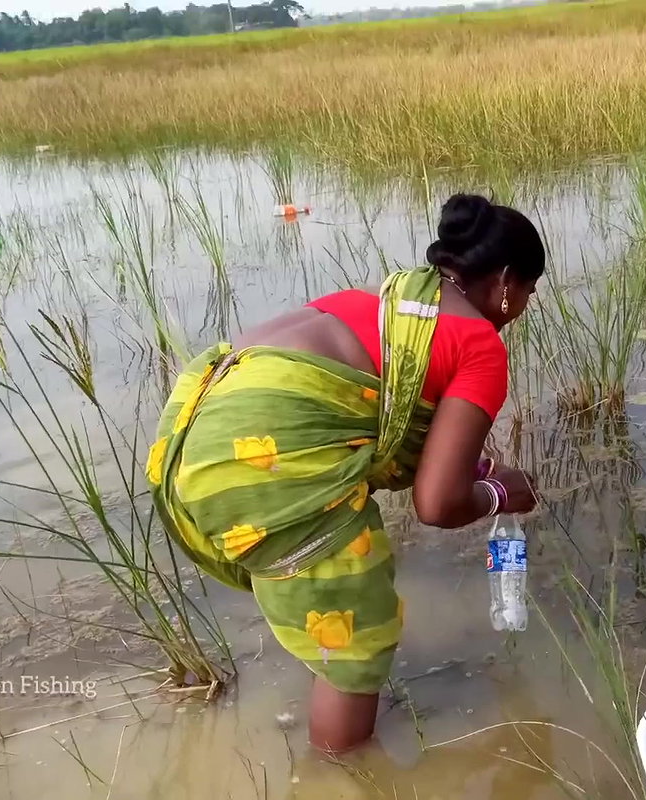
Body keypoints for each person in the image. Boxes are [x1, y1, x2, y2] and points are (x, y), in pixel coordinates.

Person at [146, 194, 545, 753]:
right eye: (529, 290)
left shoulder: (380, 304)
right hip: (265, 461)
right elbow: (437, 504)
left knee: (332, 607)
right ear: (505, 281)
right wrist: (500, 492)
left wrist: (474, 465)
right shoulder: (479, 343)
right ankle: (342, 775)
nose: (524, 305)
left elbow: (370, 414)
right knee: (357, 645)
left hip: (196, 434)